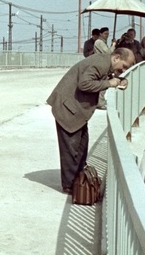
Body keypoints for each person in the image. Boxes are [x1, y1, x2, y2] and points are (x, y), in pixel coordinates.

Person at [46, 48, 135, 193]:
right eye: (124, 66)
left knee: (81, 147)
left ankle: (79, 182)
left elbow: (98, 79)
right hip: (68, 109)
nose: (123, 70)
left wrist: (118, 80)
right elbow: (84, 84)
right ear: (116, 58)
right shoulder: (100, 63)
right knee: (70, 150)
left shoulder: (105, 63)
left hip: (76, 110)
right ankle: (70, 187)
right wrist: (110, 83)